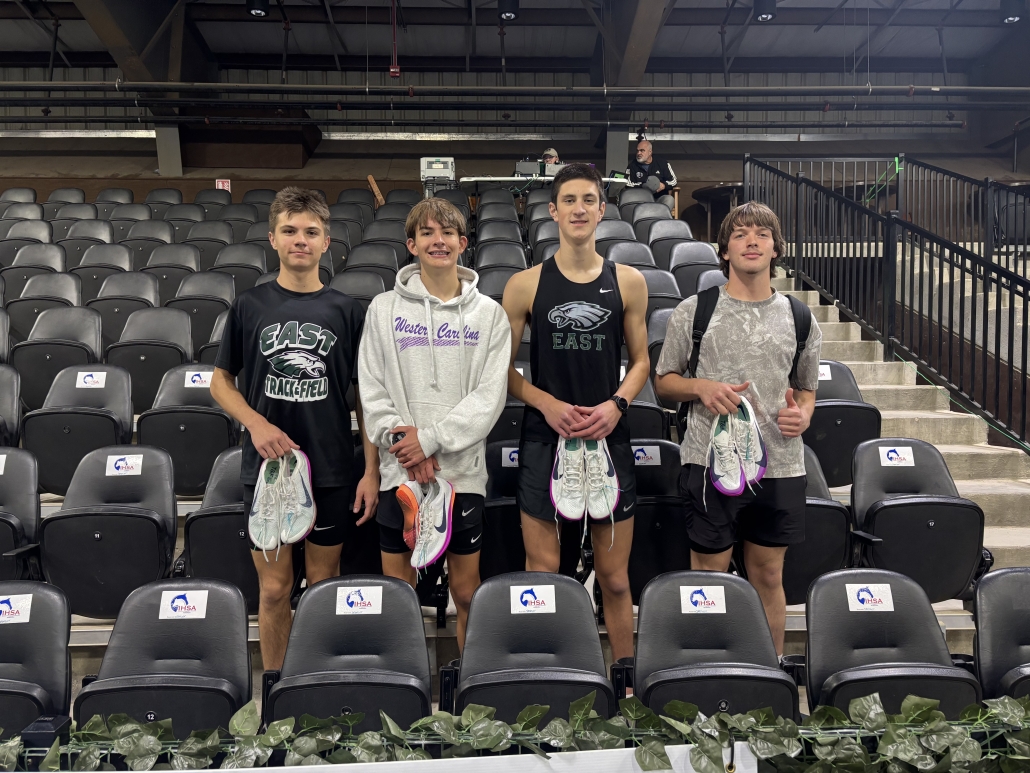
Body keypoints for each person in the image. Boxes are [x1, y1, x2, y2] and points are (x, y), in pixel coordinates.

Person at [210, 186, 379, 671]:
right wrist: (256, 423)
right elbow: (220, 383)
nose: (299, 240)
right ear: (273, 239)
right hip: (266, 473)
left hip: (329, 468)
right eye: (289, 231)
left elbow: (366, 399)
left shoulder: (349, 312)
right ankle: (279, 691)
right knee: (274, 588)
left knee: (324, 586)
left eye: (310, 232)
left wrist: (369, 469)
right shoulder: (249, 306)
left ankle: (319, 681)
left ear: (327, 242)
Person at [654, 201, 822, 656]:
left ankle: (768, 672)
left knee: (769, 576)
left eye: (762, 234)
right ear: (724, 250)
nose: (752, 240)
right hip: (710, 461)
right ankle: (708, 668)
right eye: (741, 233)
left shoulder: (800, 316)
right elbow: (664, 382)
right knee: (709, 578)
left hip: (781, 464)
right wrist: (701, 387)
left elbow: (806, 388)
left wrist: (803, 414)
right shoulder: (694, 310)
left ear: (776, 248)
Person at [502, 163, 650, 664]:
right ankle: (550, 675)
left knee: (613, 576)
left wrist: (617, 405)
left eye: (588, 199)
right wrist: (547, 403)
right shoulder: (524, 285)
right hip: (546, 439)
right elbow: (500, 372)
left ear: (602, 210)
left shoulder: (628, 281)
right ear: (554, 211)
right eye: (570, 200)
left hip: (609, 439)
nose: (579, 209)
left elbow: (642, 361)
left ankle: (626, 683)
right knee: (544, 572)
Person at [358, 198, 511, 650]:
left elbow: (489, 397)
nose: (437, 240)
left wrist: (429, 441)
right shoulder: (383, 310)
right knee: (399, 595)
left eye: (446, 233)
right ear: (412, 244)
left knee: (467, 592)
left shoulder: (490, 316)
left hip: (460, 475)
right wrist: (404, 445)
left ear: (463, 244)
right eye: (426, 233)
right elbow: (371, 388)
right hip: (398, 473)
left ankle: (468, 695)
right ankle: (403, 696)